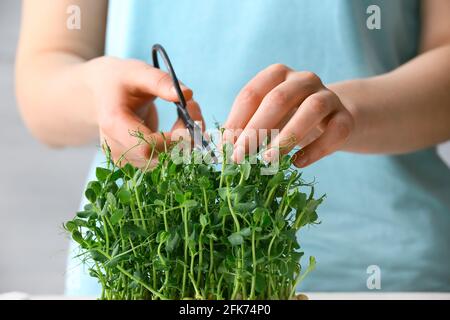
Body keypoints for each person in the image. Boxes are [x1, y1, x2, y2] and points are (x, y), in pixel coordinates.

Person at [15, 0, 450, 295]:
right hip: (142, 282)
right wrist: (97, 96)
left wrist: (344, 110)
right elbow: (48, 68)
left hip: (386, 274)